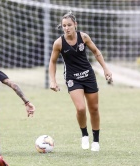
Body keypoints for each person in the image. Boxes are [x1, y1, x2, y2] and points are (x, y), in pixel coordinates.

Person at [48, 11, 112, 152]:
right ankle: (84, 135)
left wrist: (105, 69)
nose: (67, 28)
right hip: (72, 78)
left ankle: (96, 141)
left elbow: (96, 52)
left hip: (88, 75)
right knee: (81, 108)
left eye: (69, 25)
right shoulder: (59, 43)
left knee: (94, 109)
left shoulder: (83, 37)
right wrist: (52, 81)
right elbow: (52, 62)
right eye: (64, 25)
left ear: (75, 25)